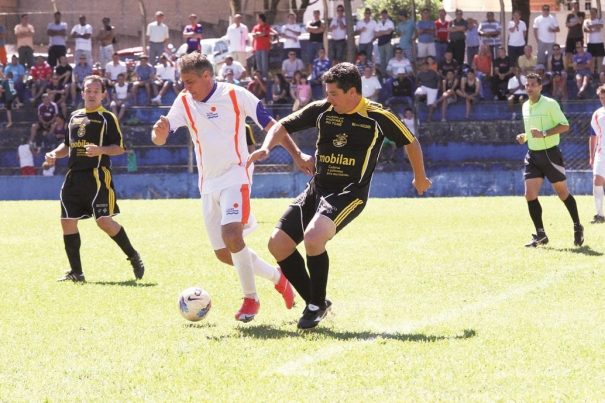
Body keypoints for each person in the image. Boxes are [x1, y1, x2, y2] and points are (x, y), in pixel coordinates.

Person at [247, 62, 431, 329]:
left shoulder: (377, 116)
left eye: (333, 93)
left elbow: (410, 141)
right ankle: (318, 301)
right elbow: (282, 125)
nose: (328, 99)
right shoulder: (323, 110)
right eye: (327, 93)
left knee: (313, 238)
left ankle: (313, 306)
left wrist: (420, 176)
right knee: (278, 244)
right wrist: (271, 149)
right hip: (316, 188)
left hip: (349, 194)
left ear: (352, 92)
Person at [151, 52, 298, 322]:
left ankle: (250, 299)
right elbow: (161, 135)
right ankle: (279, 279)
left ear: (207, 76)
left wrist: (297, 155)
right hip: (208, 184)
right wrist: (158, 134)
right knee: (224, 253)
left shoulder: (235, 95)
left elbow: (272, 125)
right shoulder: (184, 101)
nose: (186, 87)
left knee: (232, 235)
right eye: (183, 82)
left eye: (190, 81)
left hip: (236, 176)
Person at [44, 75, 145, 282]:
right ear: (82, 93)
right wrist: (54, 153)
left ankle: (133, 256)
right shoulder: (74, 117)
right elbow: (67, 146)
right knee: (67, 222)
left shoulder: (107, 117)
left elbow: (119, 148)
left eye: (95, 91)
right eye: (88, 91)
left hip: (97, 176)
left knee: (104, 222)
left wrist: (100, 149)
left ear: (103, 95)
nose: (91, 94)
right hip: (73, 177)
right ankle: (77, 273)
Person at [515, 72, 583, 248]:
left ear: (540, 87)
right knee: (529, 195)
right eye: (527, 85)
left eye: (532, 85)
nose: (529, 88)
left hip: (550, 154)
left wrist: (544, 133)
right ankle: (541, 234)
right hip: (533, 155)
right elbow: (531, 132)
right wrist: (525, 137)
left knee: (562, 193)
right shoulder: (524, 106)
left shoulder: (550, 104)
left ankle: (577, 226)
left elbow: (565, 125)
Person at [589, 85, 605, 223]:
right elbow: (593, 136)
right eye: (601, 98)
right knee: (597, 181)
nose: (603, 100)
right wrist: (591, 156)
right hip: (601, 153)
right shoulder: (597, 114)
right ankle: (599, 215)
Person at [251, 13, 276, 80]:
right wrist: (259, 34)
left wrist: (259, 34)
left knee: (264, 64)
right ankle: (260, 78)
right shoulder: (255, 27)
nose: (257, 19)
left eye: (258, 18)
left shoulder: (267, 26)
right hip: (257, 48)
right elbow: (253, 35)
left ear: (261, 18)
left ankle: (265, 78)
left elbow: (265, 33)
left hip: (264, 48)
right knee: (259, 65)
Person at [565, 1, 585, 68]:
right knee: (568, 52)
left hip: (578, 36)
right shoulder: (569, 15)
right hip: (570, 36)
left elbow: (580, 21)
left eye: (576, 6)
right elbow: (567, 24)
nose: (575, 7)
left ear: (578, 6)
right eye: (573, 6)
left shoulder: (582, 13)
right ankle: (570, 67)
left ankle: (579, 67)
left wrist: (575, 15)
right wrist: (576, 22)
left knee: (579, 52)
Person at [584, 8, 604, 75]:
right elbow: (585, 29)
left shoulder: (600, 19)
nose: (592, 13)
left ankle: (599, 74)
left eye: (594, 12)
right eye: (591, 12)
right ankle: (591, 75)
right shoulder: (587, 20)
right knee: (591, 60)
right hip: (590, 43)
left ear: (596, 13)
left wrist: (591, 27)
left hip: (599, 42)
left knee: (599, 60)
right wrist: (594, 28)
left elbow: (600, 26)